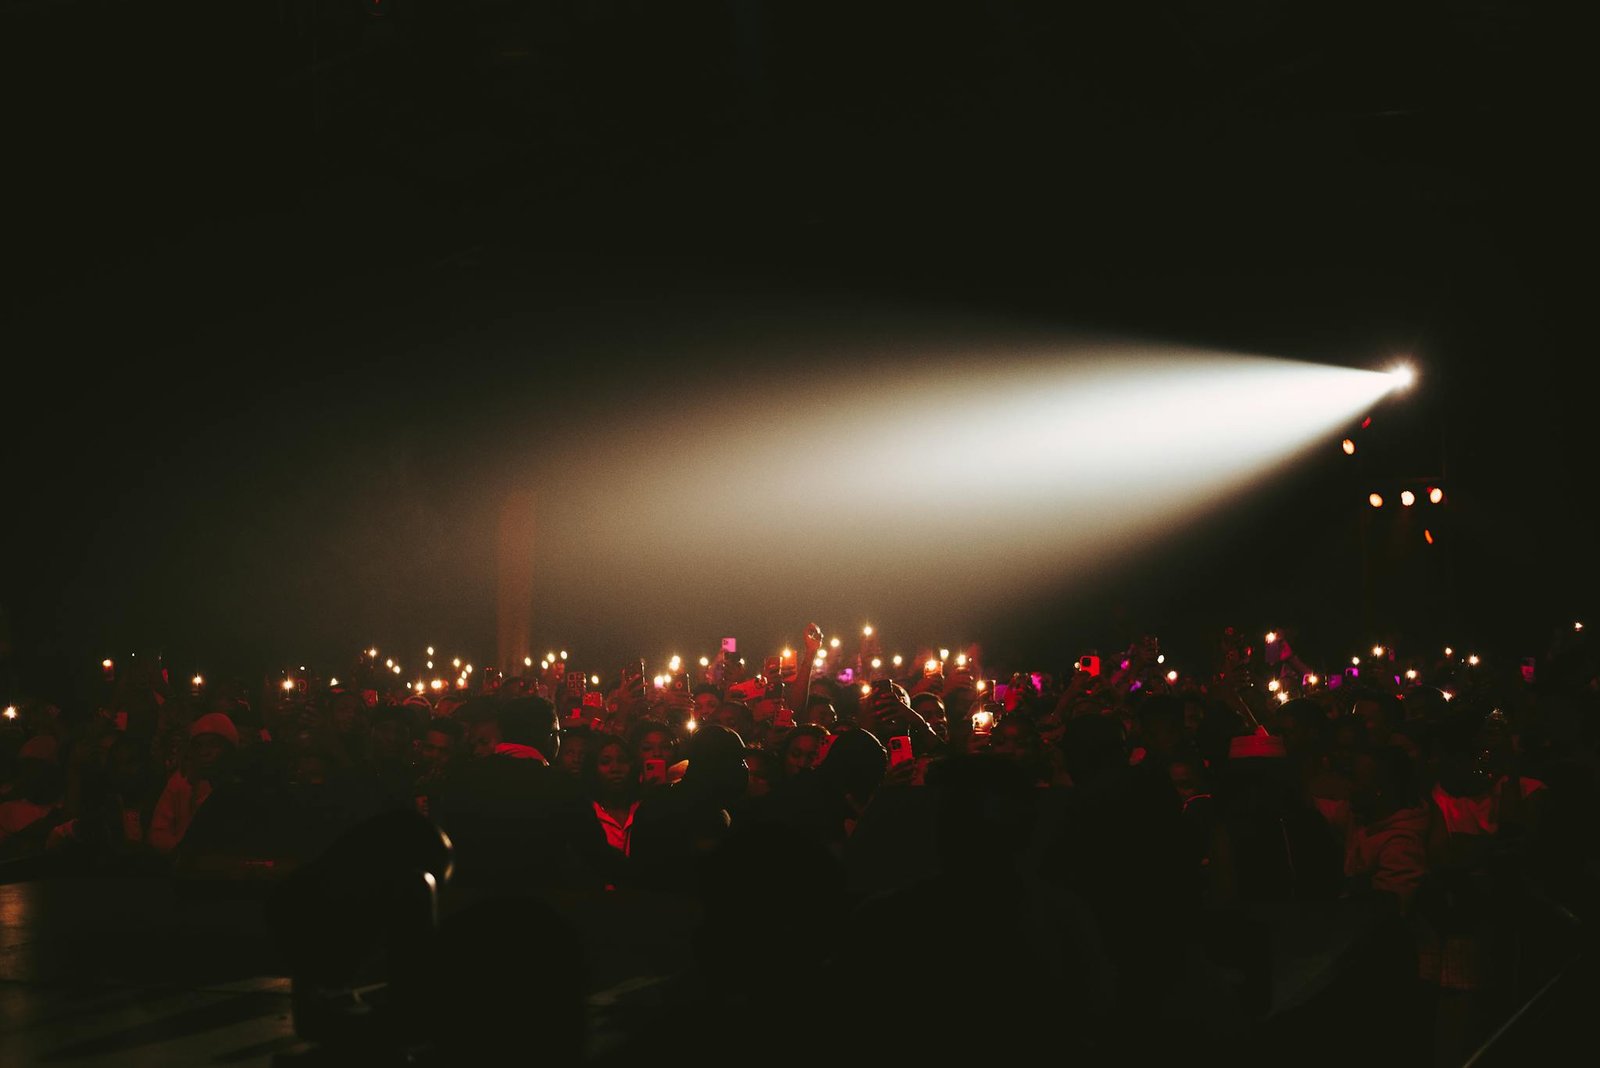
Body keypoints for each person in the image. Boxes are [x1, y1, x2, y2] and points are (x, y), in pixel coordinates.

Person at [148, 712, 238, 854]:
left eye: (213, 744)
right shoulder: (180, 782)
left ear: (229, 748)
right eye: (198, 745)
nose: (204, 752)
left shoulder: (239, 787)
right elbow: (158, 833)